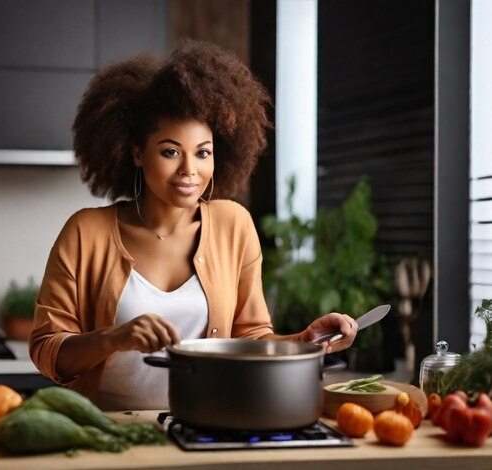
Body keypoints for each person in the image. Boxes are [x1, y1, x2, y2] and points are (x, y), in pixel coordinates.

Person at [29, 39, 358, 411]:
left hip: (208, 427)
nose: (190, 170)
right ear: (137, 152)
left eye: (203, 152)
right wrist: (114, 338)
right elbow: (47, 350)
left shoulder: (234, 226)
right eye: (171, 151)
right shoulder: (86, 232)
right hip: (109, 435)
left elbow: (249, 337)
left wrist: (303, 341)